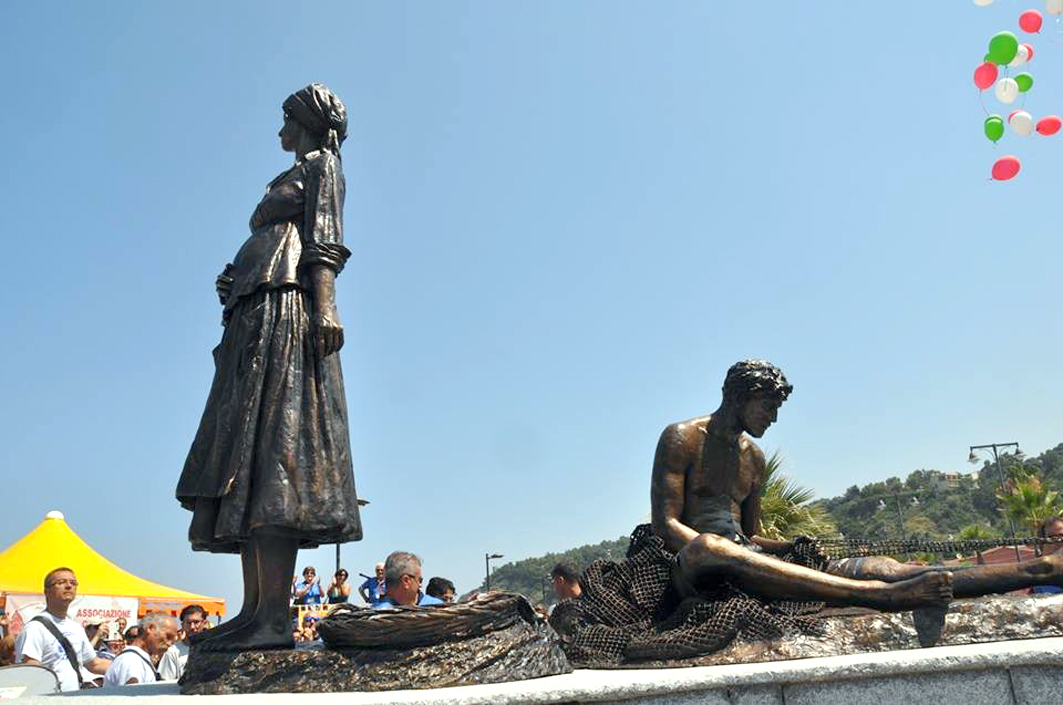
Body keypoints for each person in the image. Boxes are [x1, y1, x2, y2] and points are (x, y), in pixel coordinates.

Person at [177, 83, 362, 652]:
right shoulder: (290, 172)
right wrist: (234, 285)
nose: (279, 128)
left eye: (286, 117)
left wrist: (325, 306)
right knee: (250, 462)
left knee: (278, 460)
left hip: (289, 305)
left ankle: (276, 619)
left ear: (305, 120)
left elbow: (325, 239)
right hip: (255, 310)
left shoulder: (323, 165)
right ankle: (257, 610)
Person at [654, 360, 1063, 610]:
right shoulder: (683, 438)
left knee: (882, 568)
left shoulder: (753, 457)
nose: (773, 419)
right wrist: (728, 549)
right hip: (695, 571)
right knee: (710, 546)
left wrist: (789, 547)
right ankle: (878, 597)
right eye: (768, 407)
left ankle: (1041, 567)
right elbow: (667, 526)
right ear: (741, 397)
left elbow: (753, 535)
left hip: (747, 560)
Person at [14, 568, 111, 691]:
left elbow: (94, 664)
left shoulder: (76, 629)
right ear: (47, 591)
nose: (69, 586)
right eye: (61, 582)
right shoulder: (35, 628)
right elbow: (30, 668)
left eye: (73, 583)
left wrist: (124, 665)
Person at [104, 613, 179, 687]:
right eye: (168, 636)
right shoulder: (132, 661)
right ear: (150, 628)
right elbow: (129, 696)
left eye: (173, 640)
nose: (169, 643)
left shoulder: (137, 659)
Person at [157, 605, 207, 680]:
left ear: (204, 623)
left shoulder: (213, 649)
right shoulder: (172, 652)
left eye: (196, 622)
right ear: (182, 625)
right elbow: (164, 683)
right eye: (188, 623)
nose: (192, 627)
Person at [378, 552, 444, 607]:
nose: (420, 585)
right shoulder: (376, 614)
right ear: (406, 581)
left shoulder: (437, 607)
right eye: (419, 580)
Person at [1033, 517, 1063, 595]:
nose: (1058, 542)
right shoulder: (1037, 581)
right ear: (1042, 547)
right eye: (1051, 538)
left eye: (1061, 536)